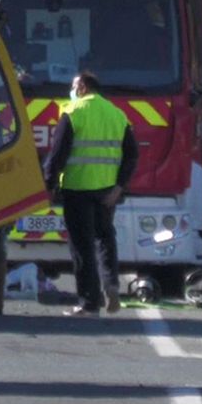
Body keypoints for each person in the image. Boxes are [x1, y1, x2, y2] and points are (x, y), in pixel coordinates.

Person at [44, 71, 138, 316]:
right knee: (105, 238)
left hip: (77, 188)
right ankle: (112, 284)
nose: (72, 90)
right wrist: (119, 188)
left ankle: (89, 303)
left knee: (82, 246)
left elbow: (57, 156)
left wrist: (49, 184)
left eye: (74, 86)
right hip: (107, 191)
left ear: (83, 87)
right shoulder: (118, 115)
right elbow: (131, 155)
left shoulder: (73, 112)